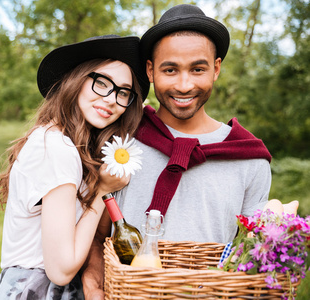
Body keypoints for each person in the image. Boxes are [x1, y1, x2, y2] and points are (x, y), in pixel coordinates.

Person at [81, 5, 298, 299]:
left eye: (198, 69)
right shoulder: (120, 140)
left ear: (216, 68)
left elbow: (250, 255)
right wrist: (93, 281)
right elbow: (94, 231)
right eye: (170, 70)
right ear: (150, 70)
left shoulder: (248, 157)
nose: (184, 85)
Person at [0, 35, 150, 300]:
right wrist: (101, 192)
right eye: (102, 83)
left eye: (123, 93)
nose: (111, 99)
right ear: (76, 79)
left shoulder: (62, 141)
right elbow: (61, 269)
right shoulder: (57, 148)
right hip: (37, 290)